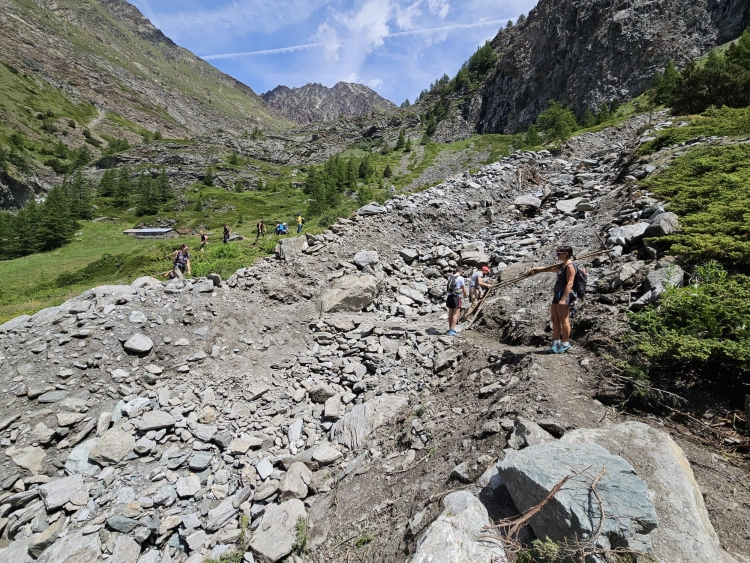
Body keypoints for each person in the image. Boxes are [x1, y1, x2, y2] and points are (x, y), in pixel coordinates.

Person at [528, 245, 577, 354]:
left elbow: (570, 283)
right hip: (557, 294)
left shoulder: (570, 267)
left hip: (563, 295)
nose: (557, 255)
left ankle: (565, 343)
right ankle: (556, 342)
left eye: (559, 253)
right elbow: (550, 269)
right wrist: (536, 269)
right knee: (554, 318)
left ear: (566, 254)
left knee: (563, 319)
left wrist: (564, 298)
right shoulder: (563, 265)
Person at [446, 266, 468, 336]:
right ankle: (452, 330)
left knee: (450, 313)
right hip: (456, 297)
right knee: (456, 313)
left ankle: (450, 329)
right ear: (460, 272)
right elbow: (463, 287)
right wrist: (465, 294)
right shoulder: (460, 278)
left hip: (449, 296)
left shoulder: (450, 277)